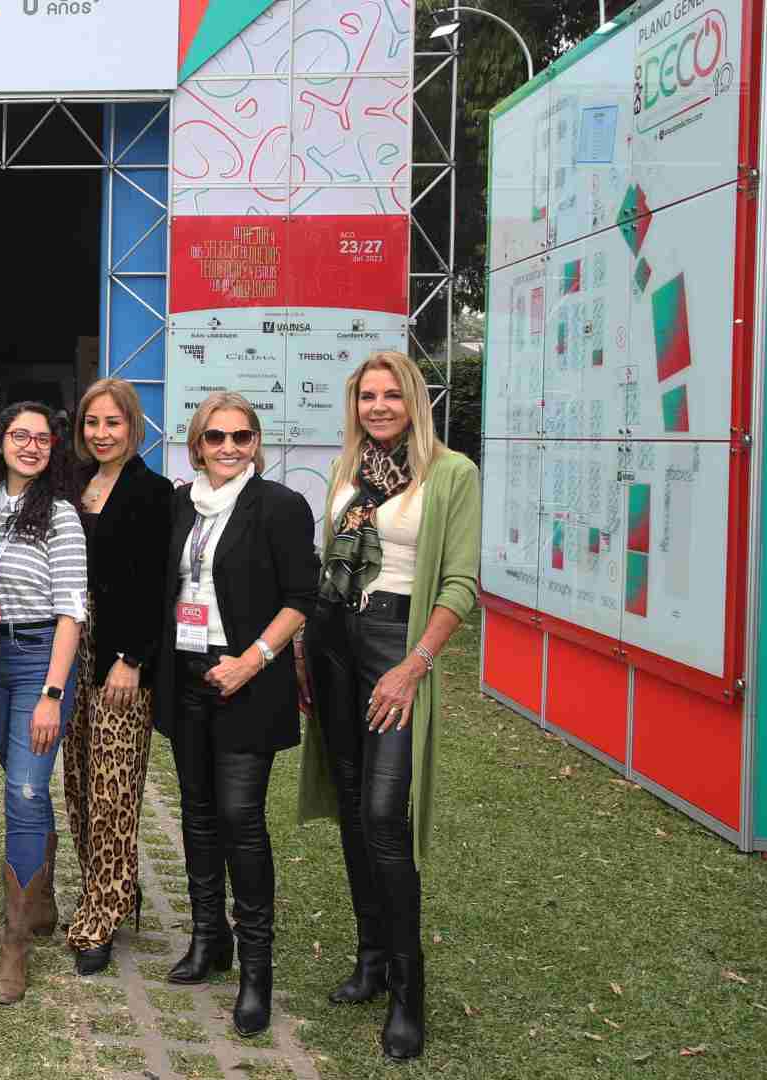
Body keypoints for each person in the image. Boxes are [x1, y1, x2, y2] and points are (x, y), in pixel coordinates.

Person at [297, 351, 481, 1061]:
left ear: (413, 401)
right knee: (350, 804)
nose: (378, 406)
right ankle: (371, 958)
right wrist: (307, 648)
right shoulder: (348, 471)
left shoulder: (451, 473)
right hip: (333, 642)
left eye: (391, 395)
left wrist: (413, 666)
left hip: (393, 645)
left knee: (382, 814)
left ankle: (410, 991)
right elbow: (327, 567)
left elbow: (460, 583)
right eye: (366, 396)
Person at [155, 391, 317, 1037]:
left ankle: (257, 971)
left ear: (256, 444)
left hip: (247, 678)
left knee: (240, 819)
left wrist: (252, 660)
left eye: (241, 437)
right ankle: (207, 939)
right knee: (197, 813)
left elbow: (301, 598)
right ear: (197, 445)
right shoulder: (179, 505)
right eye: (215, 437)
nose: (228, 447)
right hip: (187, 675)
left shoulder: (279, 505)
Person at [0, 402, 87, 1005]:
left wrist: (51, 694)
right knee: (29, 786)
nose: (31, 446)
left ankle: (15, 942)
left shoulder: (60, 514)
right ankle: (40, 905)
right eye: (20, 435)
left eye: (42, 438)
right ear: (1, 441)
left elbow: (72, 611)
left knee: (21, 794)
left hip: (39, 660)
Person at [62, 378, 173, 974]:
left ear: (133, 426)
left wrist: (133, 658)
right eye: (92, 423)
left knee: (114, 789)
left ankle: (101, 915)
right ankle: (106, 889)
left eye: (113, 422)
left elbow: (157, 585)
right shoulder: (74, 486)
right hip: (71, 650)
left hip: (120, 657)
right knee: (80, 783)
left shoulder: (152, 492)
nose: (101, 434)